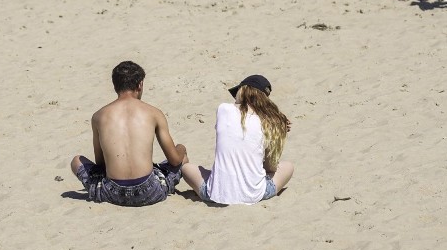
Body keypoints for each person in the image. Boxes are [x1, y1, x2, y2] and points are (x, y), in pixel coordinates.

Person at [70, 61, 188, 206]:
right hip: (150, 191)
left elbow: (101, 164)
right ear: (140, 85)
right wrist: (181, 149)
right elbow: (175, 160)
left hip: (111, 192)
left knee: (77, 160)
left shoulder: (98, 116)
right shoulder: (154, 113)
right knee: (182, 158)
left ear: (115, 86)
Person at [181, 75, 294, 205]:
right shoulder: (268, 123)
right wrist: (277, 126)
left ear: (243, 91)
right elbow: (271, 167)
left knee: (186, 168)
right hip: (254, 195)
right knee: (288, 166)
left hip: (215, 194)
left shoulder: (224, 109)